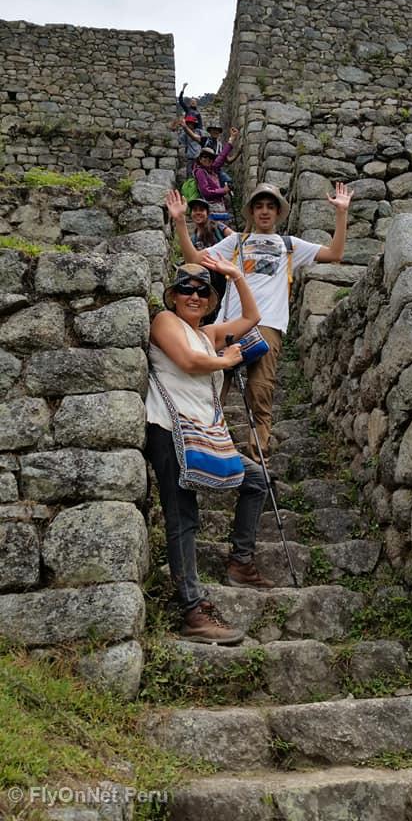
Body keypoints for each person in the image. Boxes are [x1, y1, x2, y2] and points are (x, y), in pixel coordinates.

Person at [167, 180, 352, 463]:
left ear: (278, 213)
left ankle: (258, 455)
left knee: (261, 390)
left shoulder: (290, 245)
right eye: (259, 206)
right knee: (215, 384)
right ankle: (206, 446)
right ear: (251, 212)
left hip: (270, 324)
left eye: (270, 206)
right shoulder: (236, 242)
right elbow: (194, 259)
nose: (264, 211)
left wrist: (341, 213)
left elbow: (335, 254)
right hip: (232, 324)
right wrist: (180, 222)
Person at [145, 260, 273, 646]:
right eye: (187, 288)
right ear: (173, 295)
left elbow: (252, 317)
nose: (195, 296)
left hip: (204, 430)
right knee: (182, 513)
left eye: (203, 291)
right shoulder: (166, 322)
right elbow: (187, 361)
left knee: (255, 480)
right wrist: (227, 360)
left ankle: (240, 560)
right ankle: (193, 609)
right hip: (169, 428)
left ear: (212, 300)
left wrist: (235, 276)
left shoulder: (210, 334)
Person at [187, 195, 233, 323]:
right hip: (206, 279)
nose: (198, 213)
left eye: (201, 210)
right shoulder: (193, 238)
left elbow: (234, 238)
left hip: (222, 274)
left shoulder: (218, 227)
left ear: (207, 213)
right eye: (195, 210)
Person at [193, 127, 239, 219]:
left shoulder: (212, 169)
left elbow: (222, 156)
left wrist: (232, 138)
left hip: (219, 209)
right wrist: (223, 190)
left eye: (210, 158)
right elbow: (206, 192)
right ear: (200, 159)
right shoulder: (200, 172)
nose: (207, 159)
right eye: (204, 157)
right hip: (210, 210)